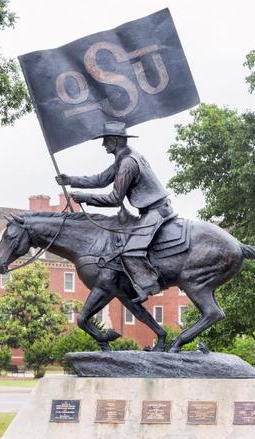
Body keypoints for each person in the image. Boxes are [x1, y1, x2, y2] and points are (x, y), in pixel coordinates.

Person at [56, 121, 174, 303]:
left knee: (130, 250)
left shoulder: (127, 162)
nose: (103, 144)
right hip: (150, 210)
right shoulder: (124, 157)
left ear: (116, 141)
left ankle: (147, 286)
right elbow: (101, 179)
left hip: (156, 211)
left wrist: (86, 198)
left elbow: (115, 199)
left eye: (106, 140)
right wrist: (70, 180)